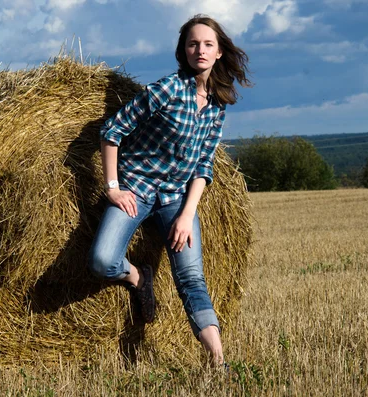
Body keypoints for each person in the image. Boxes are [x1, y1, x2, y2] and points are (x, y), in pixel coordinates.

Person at [87, 14, 251, 366]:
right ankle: (137, 277)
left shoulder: (218, 104)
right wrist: (113, 188)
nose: (200, 50)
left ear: (220, 52)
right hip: (138, 188)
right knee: (102, 260)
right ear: (183, 51)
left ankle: (218, 362)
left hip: (177, 199)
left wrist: (186, 214)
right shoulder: (166, 90)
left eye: (208, 44)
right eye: (193, 44)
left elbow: (203, 165)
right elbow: (112, 131)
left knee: (191, 277)